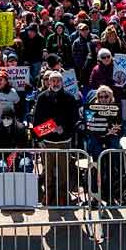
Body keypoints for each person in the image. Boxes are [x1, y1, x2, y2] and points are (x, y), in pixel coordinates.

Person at [32, 70, 78, 206]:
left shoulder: (70, 97)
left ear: (62, 82)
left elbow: (74, 118)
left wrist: (64, 128)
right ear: (48, 82)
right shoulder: (42, 98)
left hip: (64, 141)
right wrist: (50, 129)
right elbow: (37, 120)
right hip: (47, 142)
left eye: (58, 81)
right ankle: (49, 194)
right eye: (53, 81)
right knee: (48, 171)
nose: (55, 83)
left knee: (64, 172)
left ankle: (62, 196)